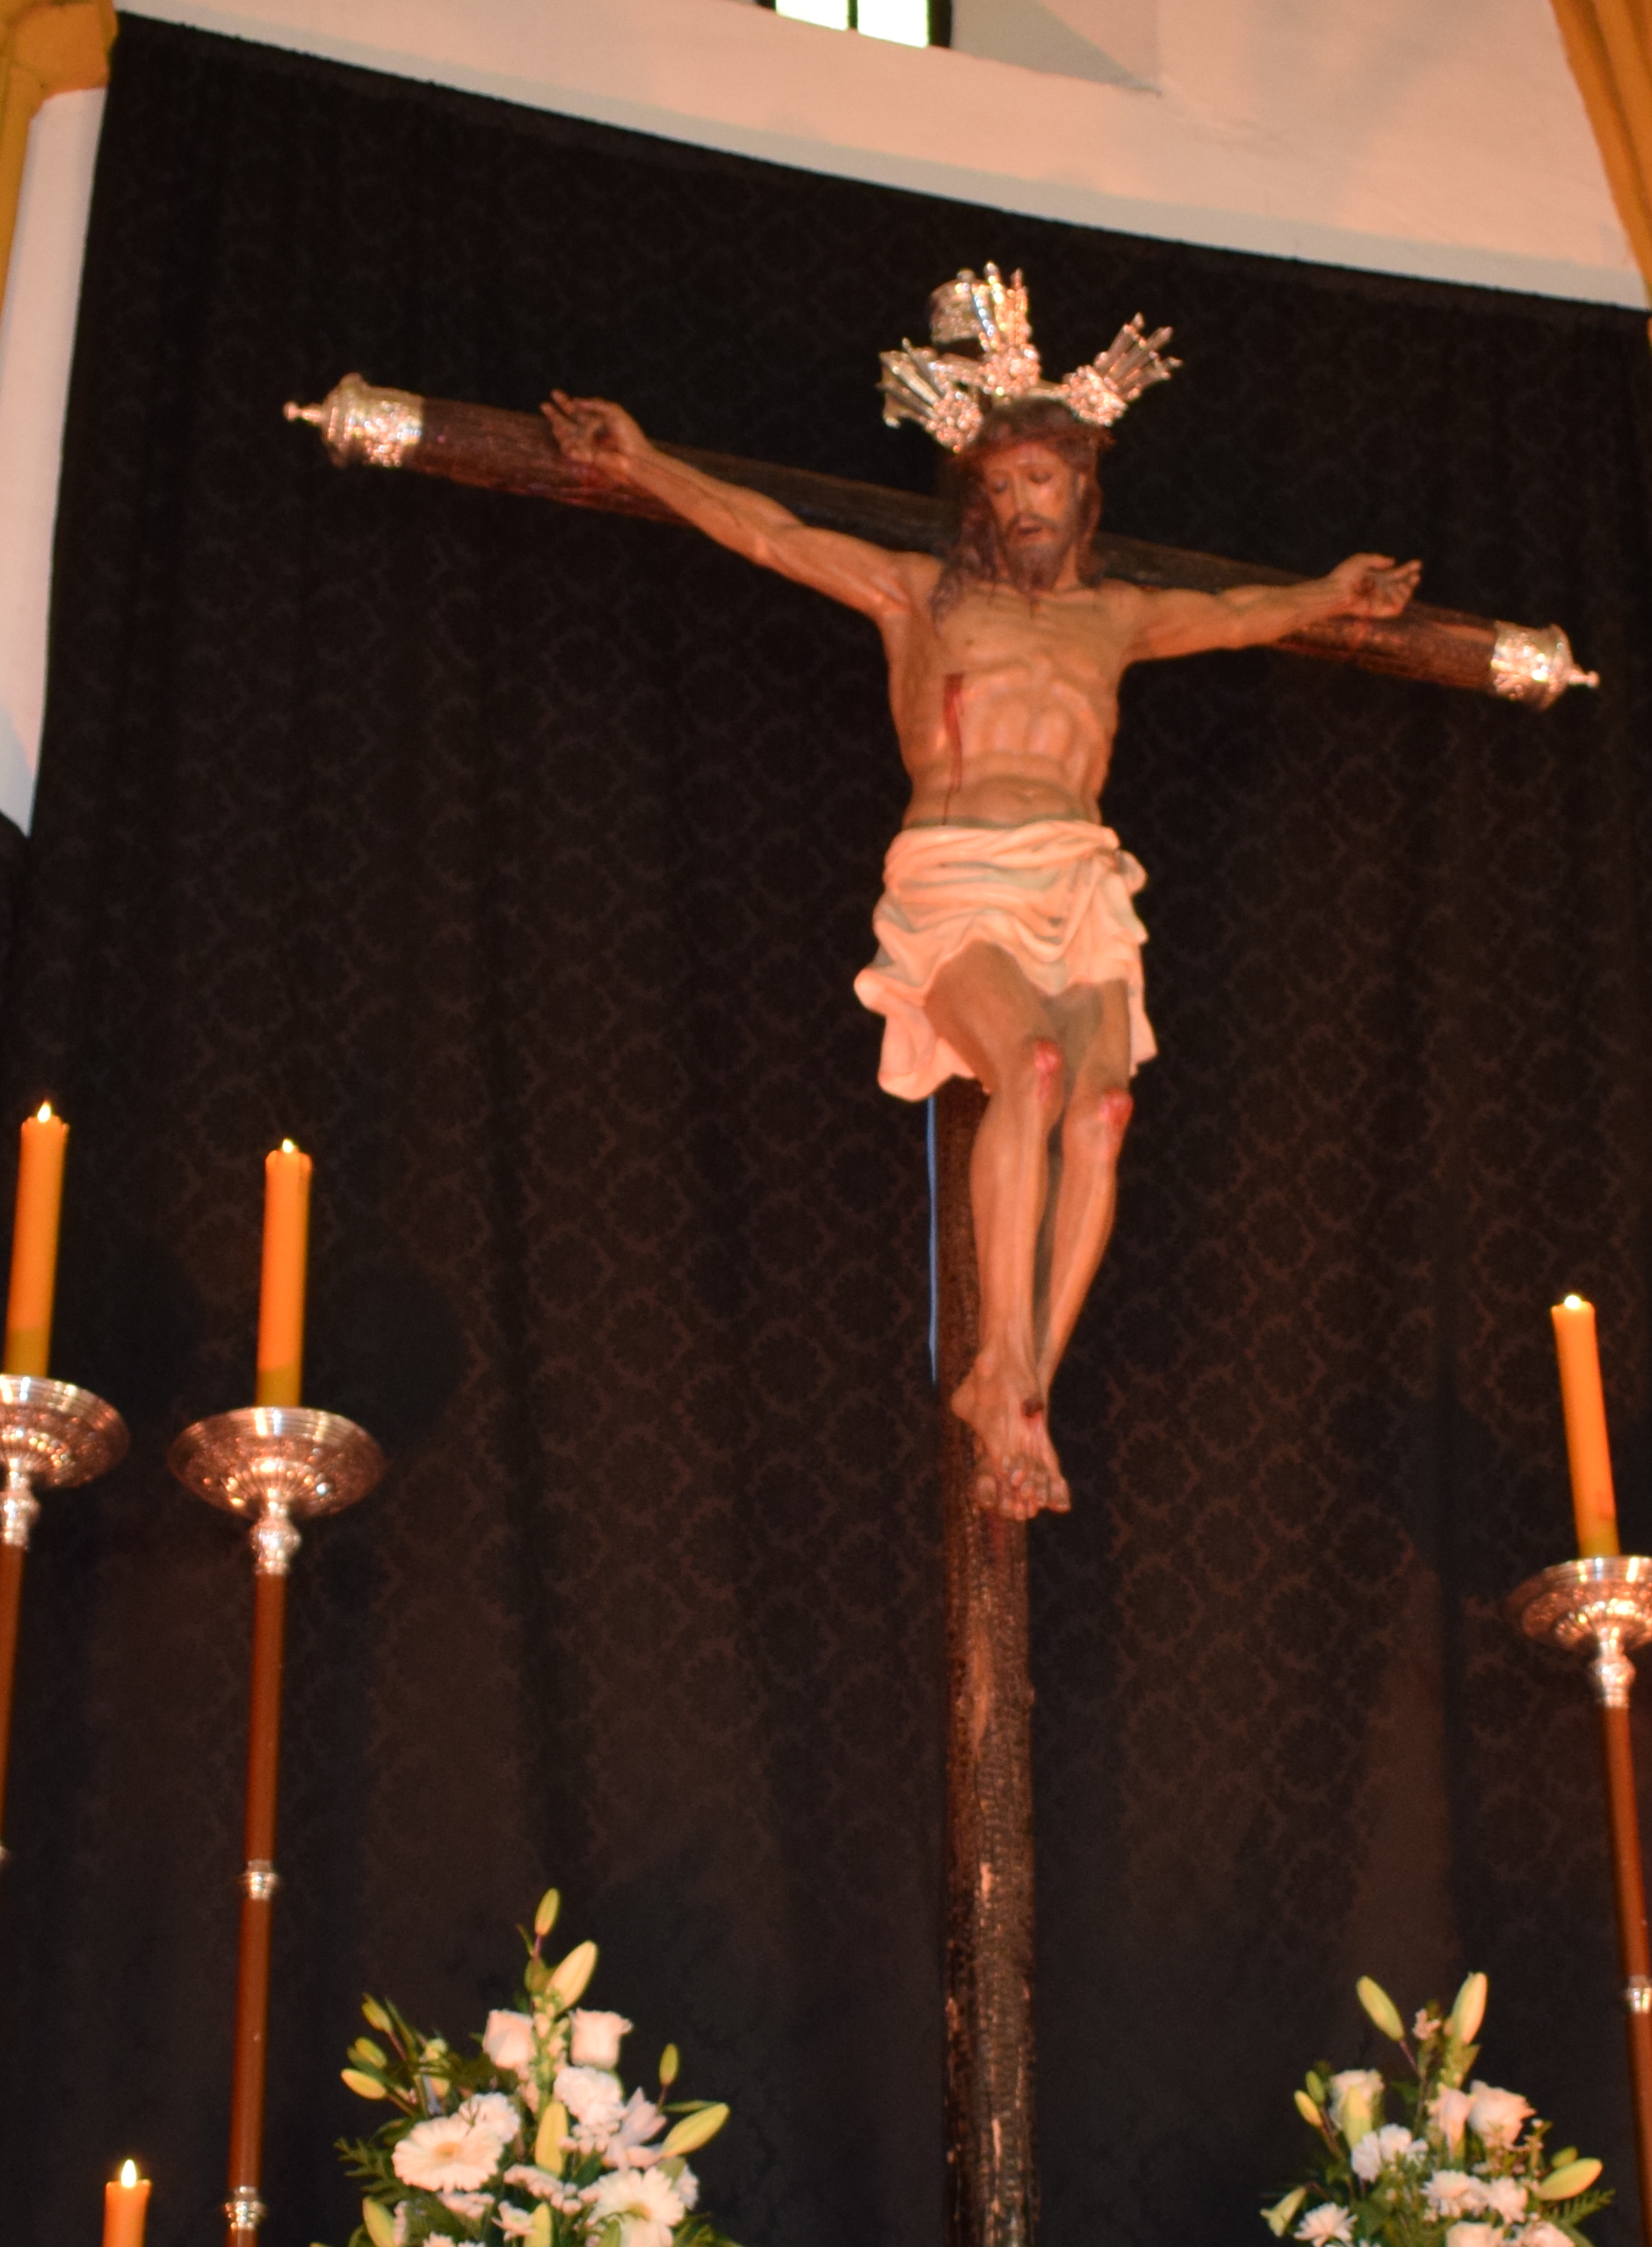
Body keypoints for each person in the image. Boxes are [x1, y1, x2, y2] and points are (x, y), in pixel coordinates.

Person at [542, 269, 1417, 1520]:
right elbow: (769, 533)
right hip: (956, 876)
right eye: (999, 487)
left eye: (1041, 481)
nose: (1020, 504)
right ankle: (1000, 1359)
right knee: (1040, 1078)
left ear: (1082, 485)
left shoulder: (1117, 617)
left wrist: (1334, 592)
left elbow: (1237, 616)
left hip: (1076, 873)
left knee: (1105, 1112)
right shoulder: (921, 595)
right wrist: (644, 464)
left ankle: (1020, 1386)